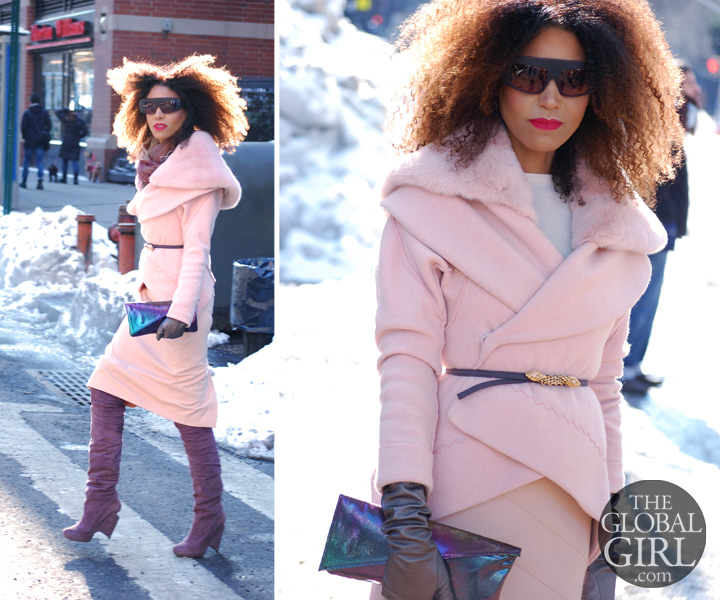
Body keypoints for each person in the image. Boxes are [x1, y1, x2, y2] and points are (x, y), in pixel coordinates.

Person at [372, 1, 683, 599]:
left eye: (574, 80)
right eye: (527, 74)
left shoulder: (617, 226)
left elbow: (602, 384)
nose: (550, 98)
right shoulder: (428, 202)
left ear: (601, 91)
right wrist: (404, 507)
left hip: (574, 492)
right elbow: (405, 359)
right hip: (460, 483)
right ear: (489, 77)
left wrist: (609, 523)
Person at [63, 54, 248, 558]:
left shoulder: (200, 171)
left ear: (191, 109)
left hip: (181, 305)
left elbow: (197, 252)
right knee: (105, 387)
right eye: (148, 107)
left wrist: (181, 312)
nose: (158, 115)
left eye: (169, 106)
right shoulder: (156, 159)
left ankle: (208, 519)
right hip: (152, 298)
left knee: (189, 411)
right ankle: (99, 504)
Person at [621, 62, 702, 396]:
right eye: (689, 82)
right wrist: (688, 99)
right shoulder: (659, 114)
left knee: (646, 303)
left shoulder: (666, 115)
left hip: (661, 221)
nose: (693, 88)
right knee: (641, 301)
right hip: (653, 222)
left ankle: (631, 366)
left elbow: (692, 126)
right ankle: (625, 368)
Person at [20, 93, 52, 190]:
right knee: (39, 161)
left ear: (31, 101)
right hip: (40, 140)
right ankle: (40, 182)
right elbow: (49, 126)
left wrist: (26, 136)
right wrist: (44, 132)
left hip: (29, 140)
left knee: (26, 161)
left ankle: (24, 181)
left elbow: (23, 128)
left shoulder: (27, 113)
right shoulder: (44, 112)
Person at [55, 108, 89, 184]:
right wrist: (79, 136)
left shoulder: (66, 120)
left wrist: (63, 110)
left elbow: (57, 112)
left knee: (65, 161)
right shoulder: (79, 122)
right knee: (75, 161)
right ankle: (75, 179)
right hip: (75, 142)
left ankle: (64, 178)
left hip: (66, 142)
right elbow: (85, 132)